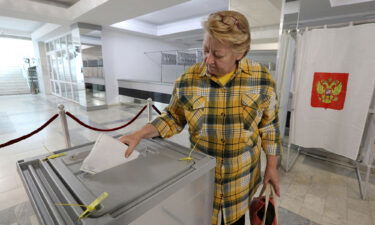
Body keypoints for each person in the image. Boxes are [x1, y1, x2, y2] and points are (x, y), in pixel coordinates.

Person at [119, 10, 281, 225]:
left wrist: (271, 167)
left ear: (239, 53)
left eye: (218, 54)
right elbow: (173, 118)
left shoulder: (261, 79)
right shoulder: (188, 80)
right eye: (205, 50)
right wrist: (139, 133)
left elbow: (269, 128)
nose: (208, 60)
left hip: (240, 183)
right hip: (202, 181)